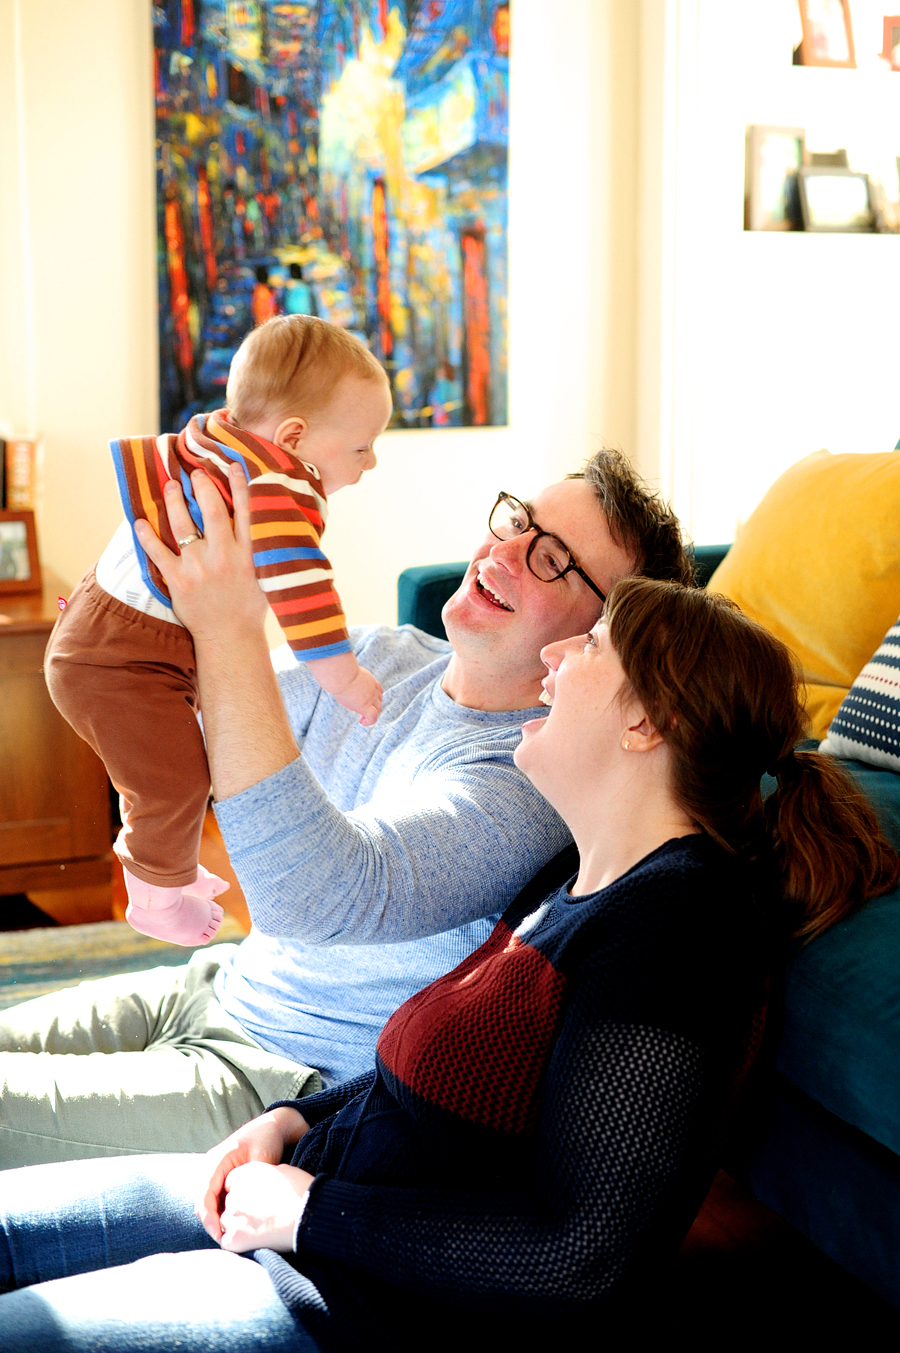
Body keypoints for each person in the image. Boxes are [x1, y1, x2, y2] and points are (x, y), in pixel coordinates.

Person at [2, 578, 895, 1350]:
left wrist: (311, 1214)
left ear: (646, 722)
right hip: (310, 1202)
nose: (552, 657)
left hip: (355, 1309)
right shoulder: (576, 878)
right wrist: (289, 1117)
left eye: (587, 643)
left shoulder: (680, 931)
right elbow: (434, 1087)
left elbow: (581, 1254)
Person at [0, 449, 691, 1169]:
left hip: (277, 1080)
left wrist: (230, 627)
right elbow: (190, 729)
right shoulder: (381, 658)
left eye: (551, 557)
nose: (505, 549)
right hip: (213, 986)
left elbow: (308, 894)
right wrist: (128, 638)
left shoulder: (527, 789)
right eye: (519, 520)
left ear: (603, 637)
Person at [44, 315, 391, 948]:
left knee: (170, 762)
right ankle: (155, 896)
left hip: (101, 625)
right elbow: (304, 592)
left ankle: (169, 864)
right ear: (294, 436)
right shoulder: (278, 486)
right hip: (123, 656)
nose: (372, 462)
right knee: (174, 781)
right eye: (362, 446)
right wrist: (345, 679)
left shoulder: (218, 439)